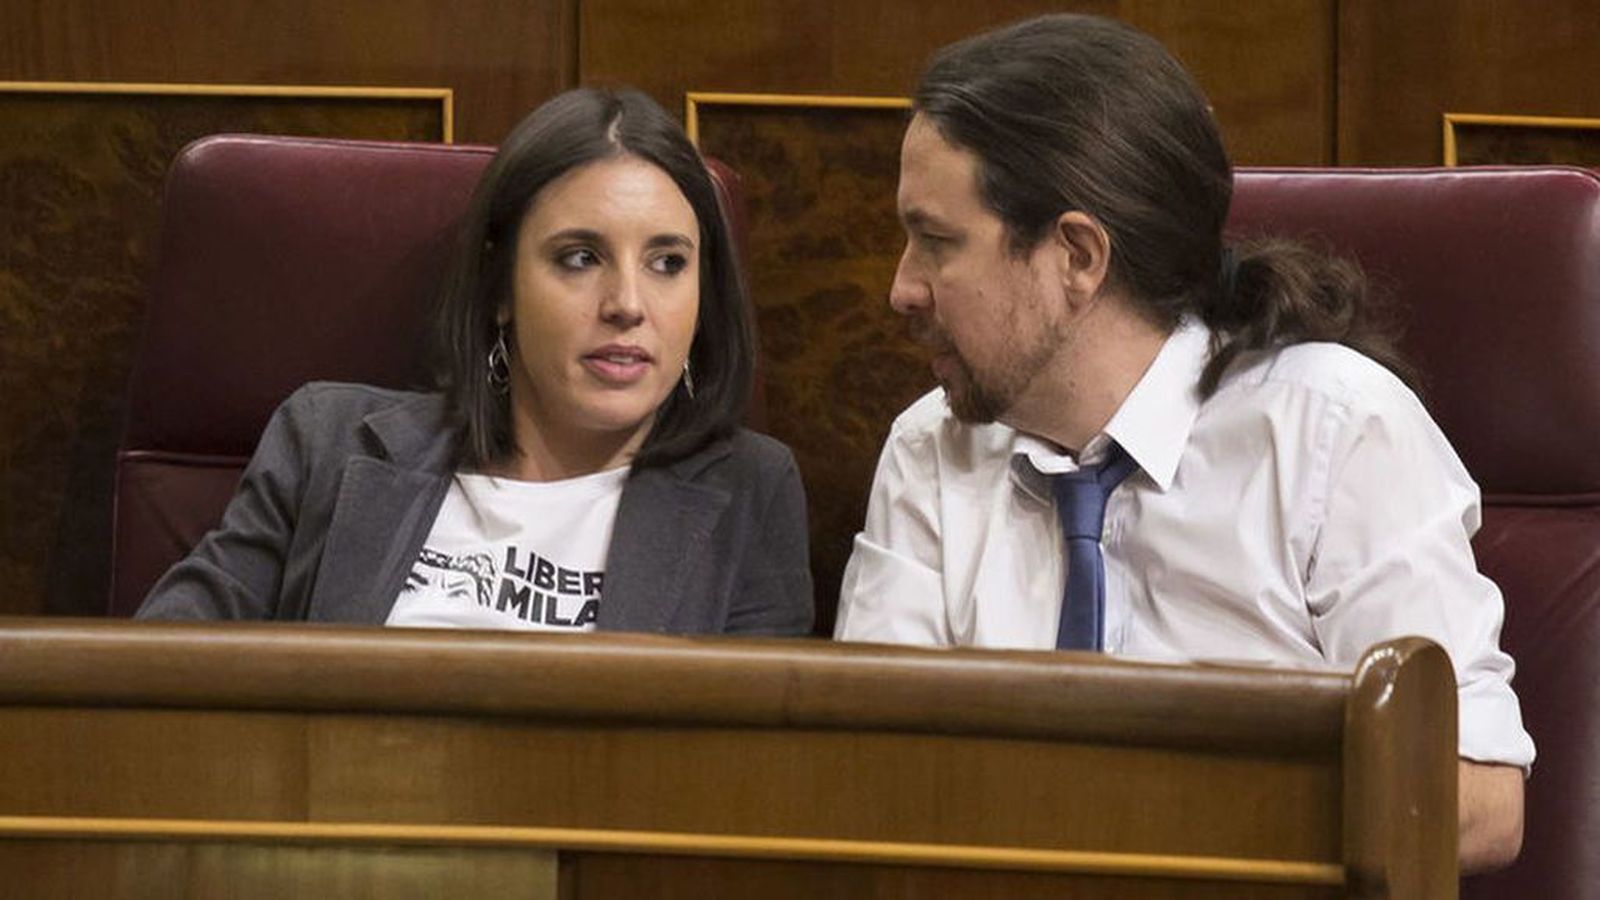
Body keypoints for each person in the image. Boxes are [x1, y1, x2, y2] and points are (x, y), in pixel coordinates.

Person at [833, 14, 1529, 871]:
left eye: (937, 242)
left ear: (1077, 256)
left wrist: (1162, 823)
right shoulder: (930, 448)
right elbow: (866, 773)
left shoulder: (1332, 432)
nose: (901, 288)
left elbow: (1478, 800)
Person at [138, 87, 813, 637]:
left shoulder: (752, 493)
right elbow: (159, 675)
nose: (628, 304)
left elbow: (746, 773)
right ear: (500, 289)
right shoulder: (326, 442)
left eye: (668, 263)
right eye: (580, 258)